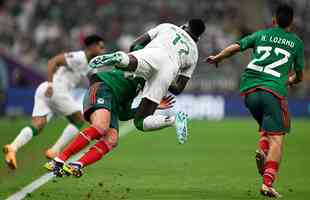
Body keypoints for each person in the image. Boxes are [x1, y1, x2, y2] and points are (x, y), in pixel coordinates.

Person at [206, 4, 304, 198]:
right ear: (291, 22)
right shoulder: (296, 43)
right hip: (273, 91)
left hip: (249, 91)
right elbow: (299, 76)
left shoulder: (261, 35)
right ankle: (267, 183)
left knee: (266, 128)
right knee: (278, 138)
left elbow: (236, 47)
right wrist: (290, 80)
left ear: (274, 19)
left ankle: (262, 149)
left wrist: (218, 57)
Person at [89, 19, 205, 143]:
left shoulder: (168, 27)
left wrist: (138, 66)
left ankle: (121, 59)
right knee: (140, 121)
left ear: (186, 26)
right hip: (168, 71)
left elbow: (135, 44)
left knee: (131, 61)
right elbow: (178, 89)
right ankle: (174, 120)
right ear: (198, 37)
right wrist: (169, 79)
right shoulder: (194, 53)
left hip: (154, 53)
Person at [46, 68, 175, 177]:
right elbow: (136, 48)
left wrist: (154, 106)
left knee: (112, 140)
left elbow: (124, 114)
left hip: (113, 103)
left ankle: (77, 164)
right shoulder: (146, 63)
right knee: (101, 126)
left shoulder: (137, 89)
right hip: (103, 87)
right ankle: (59, 160)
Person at [3, 35, 105, 169]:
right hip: (55, 89)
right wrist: (51, 84)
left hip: (45, 90)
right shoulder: (79, 57)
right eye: (101, 47)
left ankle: (12, 147)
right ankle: (55, 150)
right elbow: (53, 61)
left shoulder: (89, 64)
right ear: (92, 47)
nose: (103, 50)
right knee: (79, 120)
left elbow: (96, 79)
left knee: (38, 125)